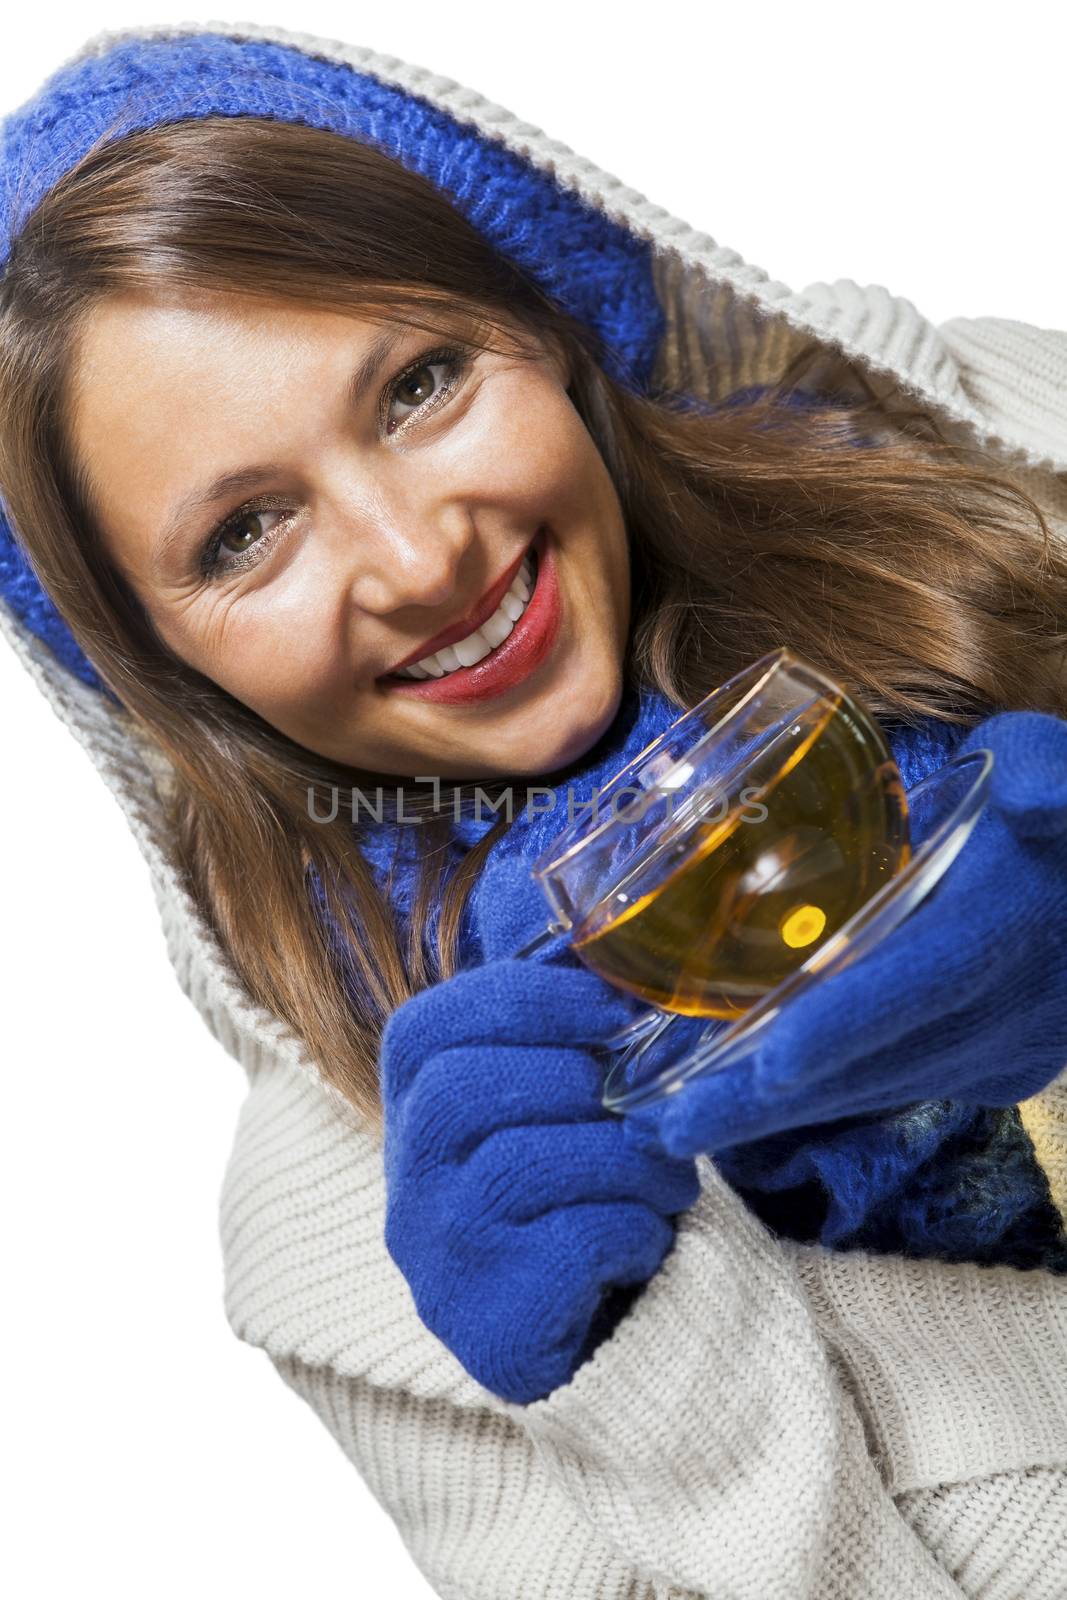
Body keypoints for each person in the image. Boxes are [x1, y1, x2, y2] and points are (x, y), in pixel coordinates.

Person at [2, 21, 1067, 1597]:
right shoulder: (352, 1243)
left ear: (553, 328)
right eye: (243, 536)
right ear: (160, 667)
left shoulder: (1010, 467)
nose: (417, 558)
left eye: (421, 383)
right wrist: (646, 1383)